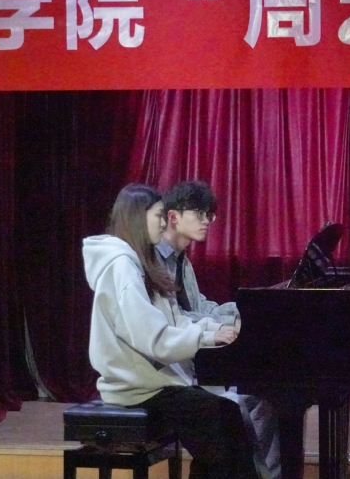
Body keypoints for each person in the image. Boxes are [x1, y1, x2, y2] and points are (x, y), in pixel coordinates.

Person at [83, 183, 258, 479]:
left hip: (154, 381)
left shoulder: (142, 263)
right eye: (159, 216)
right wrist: (206, 336)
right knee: (218, 420)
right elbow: (155, 340)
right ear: (138, 218)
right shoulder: (121, 268)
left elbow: (175, 320)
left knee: (226, 418)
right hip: (136, 388)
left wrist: (214, 328)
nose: (164, 224)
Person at [155, 180, 280, 479]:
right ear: (173, 216)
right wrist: (222, 326)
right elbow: (172, 319)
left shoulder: (181, 259)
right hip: (169, 368)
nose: (207, 221)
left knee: (268, 395)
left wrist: (245, 312)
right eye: (199, 213)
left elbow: (198, 305)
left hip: (192, 358)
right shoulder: (152, 261)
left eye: (209, 215)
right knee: (230, 412)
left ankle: (265, 473)